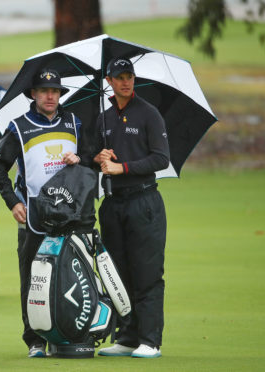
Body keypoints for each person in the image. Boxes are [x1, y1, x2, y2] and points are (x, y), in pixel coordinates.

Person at [0, 68, 90, 358]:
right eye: (44, 91)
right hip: (34, 214)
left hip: (72, 214)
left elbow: (92, 158)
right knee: (34, 278)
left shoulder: (74, 123)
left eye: (55, 91)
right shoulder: (18, 127)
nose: (50, 96)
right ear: (33, 94)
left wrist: (80, 157)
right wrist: (12, 202)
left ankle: (70, 331)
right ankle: (34, 339)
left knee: (73, 275)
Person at [93, 57, 170, 358]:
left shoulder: (149, 114)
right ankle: (126, 336)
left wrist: (121, 167)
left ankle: (150, 340)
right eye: (119, 77)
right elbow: (96, 159)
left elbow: (160, 159)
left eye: (130, 76)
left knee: (147, 272)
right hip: (113, 204)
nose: (126, 81)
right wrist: (99, 157)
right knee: (118, 272)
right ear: (109, 81)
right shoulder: (104, 117)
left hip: (144, 202)